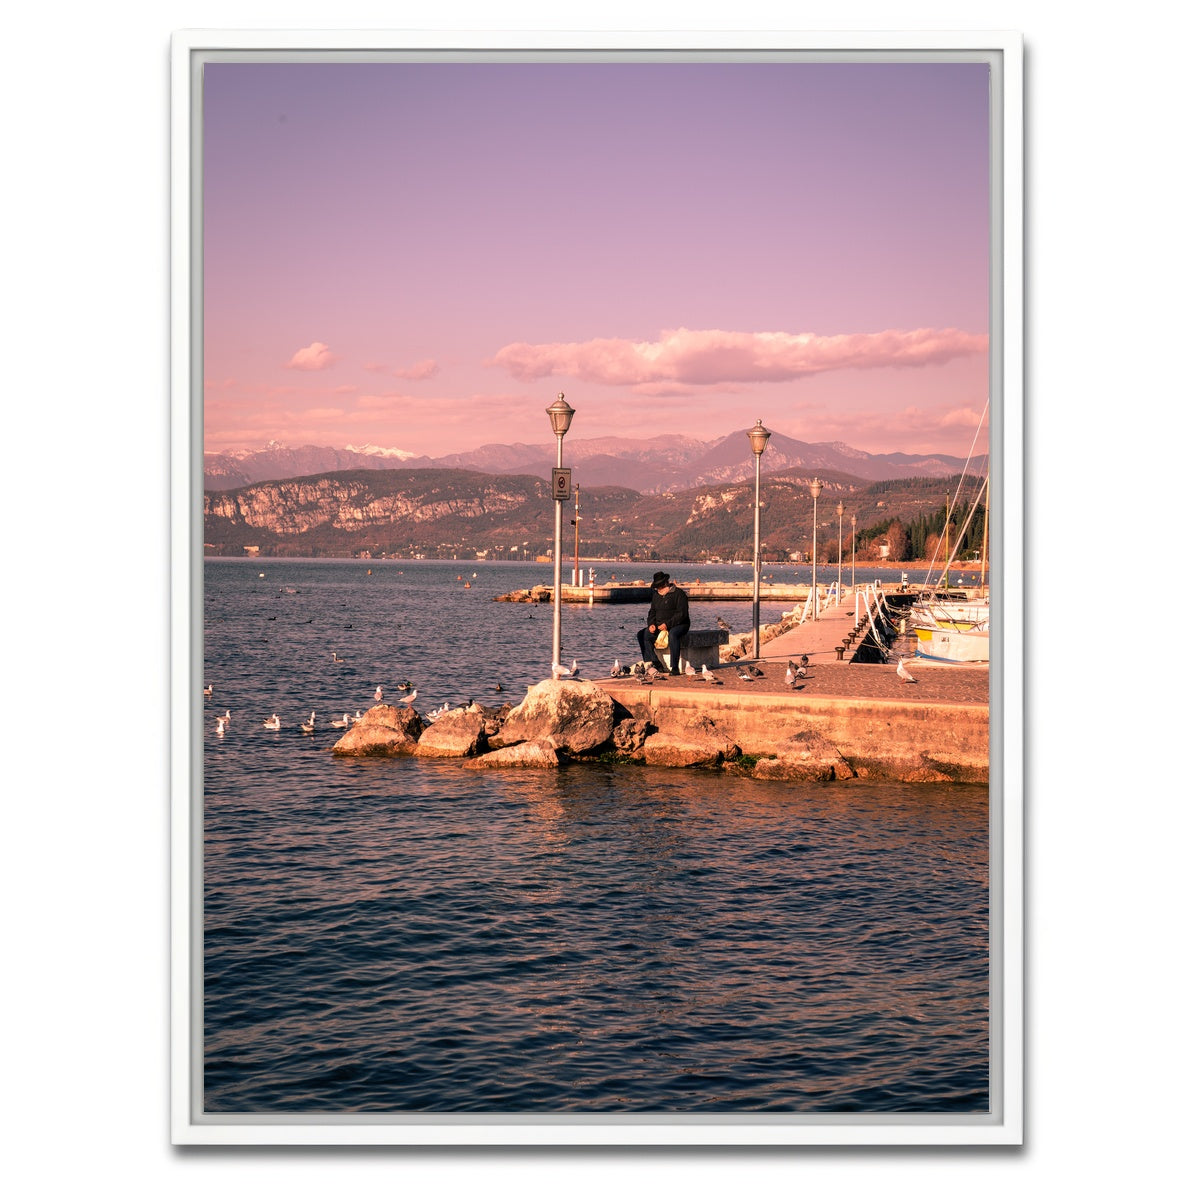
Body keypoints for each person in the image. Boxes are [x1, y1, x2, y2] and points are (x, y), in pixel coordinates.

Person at [636, 571, 690, 675]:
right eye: (656, 588)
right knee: (642, 634)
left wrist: (668, 624)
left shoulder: (679, 594)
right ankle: (655, 663)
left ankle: (674, 667)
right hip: (659, 625)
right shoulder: (656, 596)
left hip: (680, 624)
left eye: (659, 588)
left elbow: (682, 614)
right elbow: (652, 612)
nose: (657, 590)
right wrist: (651, 624)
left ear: (665, 584)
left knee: (673, 634)